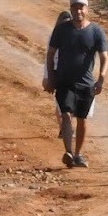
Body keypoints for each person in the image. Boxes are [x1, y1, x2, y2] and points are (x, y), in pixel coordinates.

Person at [43, 0, 108, 168]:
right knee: (65, 114)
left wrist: (101, 78)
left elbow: (104, 57)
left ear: (87, 9)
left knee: (82, 119)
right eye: (75, 8)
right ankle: (68, 151)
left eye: (81, 7)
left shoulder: (96, 31)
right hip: (64, 82)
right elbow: (50, 55)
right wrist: (50, 77)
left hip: (86, 84)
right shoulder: (62, 29)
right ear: (71, 9)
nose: (78, 11)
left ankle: (78, 154)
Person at [44, 10, 72, 138]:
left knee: (70, 102)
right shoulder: (55, 36)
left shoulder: (75, 34)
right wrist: (47, 77)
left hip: (72, 72)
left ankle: (67, 127)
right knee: (59, 102)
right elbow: (48, 58)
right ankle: (63, 129)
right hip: (57, 72)